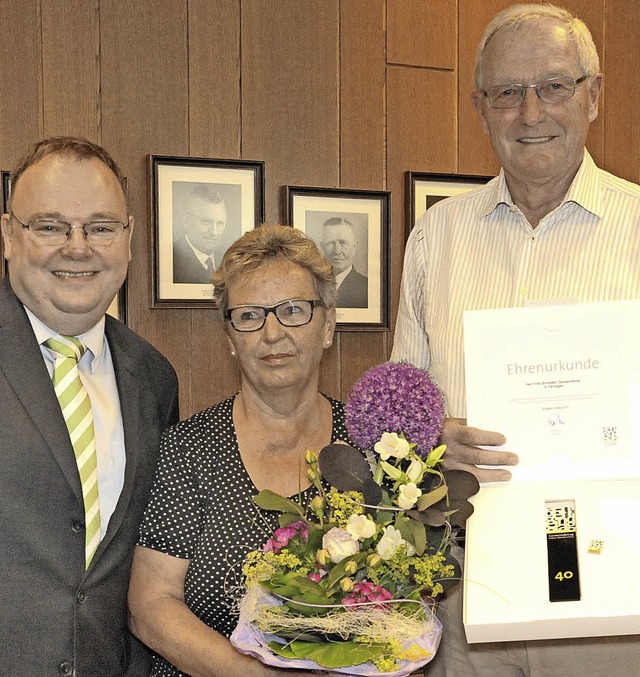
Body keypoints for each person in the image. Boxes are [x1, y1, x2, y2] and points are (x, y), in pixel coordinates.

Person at [392, 4, 640, 676]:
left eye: (554, 87)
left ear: (593, 95)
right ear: (479, 107)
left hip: (613, 595)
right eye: (507, 93)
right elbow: (396, 414)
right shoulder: (434, 239)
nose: (531, 114)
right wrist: (431, 438)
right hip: (467, 593)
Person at [129, 225, 345, 676]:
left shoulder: (373, 445)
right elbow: (150, 604)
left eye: (293, 310)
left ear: (328, 325)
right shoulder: (188, 450)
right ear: (230, 337)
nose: (272, 333)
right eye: (249, 316)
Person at [0, 136, 179, 676]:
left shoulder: (153, 377)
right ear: (9, 234)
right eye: (50, 226)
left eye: (100, 227)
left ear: (127, 238)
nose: (77, 248)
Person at [173, 184, 227, 284]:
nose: (214, 232)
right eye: (206, 222)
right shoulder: (172, 259)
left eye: (220, 223)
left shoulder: (229, 259)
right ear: (186, 221)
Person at [320, 216, 368, 307]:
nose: (337, 251)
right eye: (330, 243)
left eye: (343, 243)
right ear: (322, 247)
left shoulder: (367, 288)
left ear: (354, 247)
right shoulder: (312, 284)